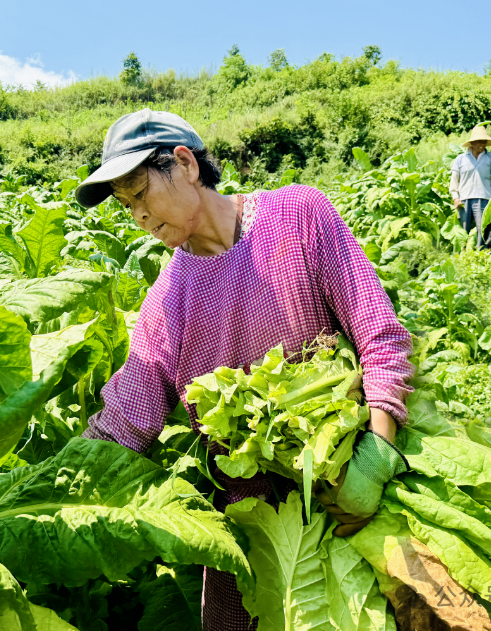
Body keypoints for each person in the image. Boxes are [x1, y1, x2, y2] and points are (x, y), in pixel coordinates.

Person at [75, 108, 414, 631]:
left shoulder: (300, 215)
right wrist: (44, 492)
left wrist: (377, 456)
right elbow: (122, 423)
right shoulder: (166, 304)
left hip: (356, 495)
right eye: (126, 206)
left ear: (185, 164)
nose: (138, 217)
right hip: (255, 539)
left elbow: (380, 335)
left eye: (140, 193)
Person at [450, 125, 491, 248]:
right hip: (464, 200)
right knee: (463, 231)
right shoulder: (460, 159)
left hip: (484, 199)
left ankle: (481, 255)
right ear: (472, 143)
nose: (482, 144)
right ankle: (462, 255)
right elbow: (454, 181)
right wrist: (455, 197)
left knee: (483, 230)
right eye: (479, 142)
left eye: (484, 142)